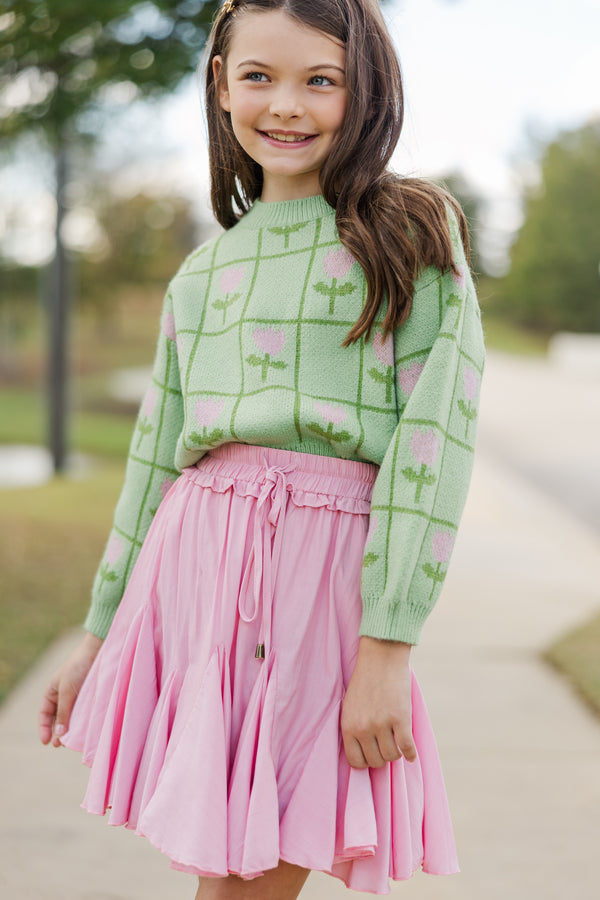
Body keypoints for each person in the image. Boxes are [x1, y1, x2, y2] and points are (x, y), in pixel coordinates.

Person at [38, 0, 485, 897]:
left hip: (318, 583)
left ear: (366, 91)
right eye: (259, 77)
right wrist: (101, 633)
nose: (287, 105)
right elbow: (155, 461)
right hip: (197, 573)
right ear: (221, 85)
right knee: (225, 871)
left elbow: (434, 441)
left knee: (247, 879)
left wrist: (387, 645)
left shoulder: (409, 231)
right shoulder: (202, 272)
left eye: (321, 81)